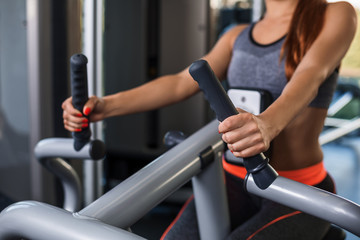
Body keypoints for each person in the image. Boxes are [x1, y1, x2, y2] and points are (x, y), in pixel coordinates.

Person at [62, 0, 357, 239]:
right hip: (231, 179)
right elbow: (179, 84)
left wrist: (267, 123)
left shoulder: (335, 13)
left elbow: (311, 73)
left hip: (297, 188)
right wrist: (105, 106)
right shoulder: (236, 35)